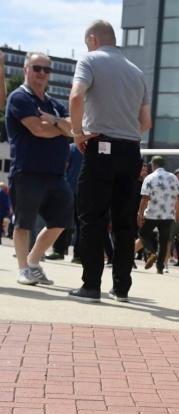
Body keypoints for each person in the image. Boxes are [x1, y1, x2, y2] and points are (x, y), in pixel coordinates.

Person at [69, 20, 151, 302]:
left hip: (100, 145)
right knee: (125, 222)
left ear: (92, 39)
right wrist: (124, 134)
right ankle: (121, 288)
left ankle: (91, 285)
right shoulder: (137, 72)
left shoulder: (90, 61)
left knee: (92, 217)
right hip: (131, 150)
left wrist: (78, 134)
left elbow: (76, 96)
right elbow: (146, 122)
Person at [6, 52, 74, 287]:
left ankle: (33, 262)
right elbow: (38, 130)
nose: (42, 73)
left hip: (56, 174)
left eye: (46, 69)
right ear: (26, 69)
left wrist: (54, 121)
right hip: (27, 171)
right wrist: (59, 126)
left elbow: (73, 129)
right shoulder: (18, 98)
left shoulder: (53, 104)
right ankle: (23, 269)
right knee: (23, 223)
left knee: (62, 220)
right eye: (37, 68)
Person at [137, 155, 179, 277]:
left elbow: (145, 198)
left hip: (152, 213)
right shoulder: (173, 177)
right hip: (168, 215)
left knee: (143, 234)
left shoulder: (150, 178)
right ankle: (160, 268)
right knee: (163, 240)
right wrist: (177, 212)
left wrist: (140, 213)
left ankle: (151, 252)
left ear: (153, 164)